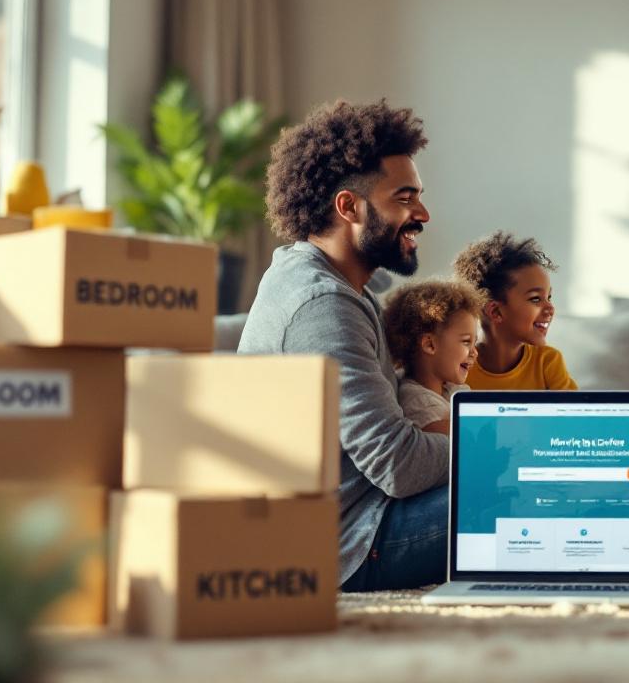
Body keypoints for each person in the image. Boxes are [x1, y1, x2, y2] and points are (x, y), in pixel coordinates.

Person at [237, 99, 449, 592]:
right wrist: (491, 448)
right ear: (349, 206)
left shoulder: (333, 284)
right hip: (348, 542)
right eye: (405, 198)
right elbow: (398, 465)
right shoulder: (322, 304)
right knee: (527, 490)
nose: (422, 214)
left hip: (365, 514)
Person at [453, 231, 577, 390]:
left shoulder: (548, 362)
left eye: (549, 297)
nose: (550, 308)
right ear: (496, 312)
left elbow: (572, 407)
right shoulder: (458, 365)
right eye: (535, 299)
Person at [383, 279, 484, 428]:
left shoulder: (450, 388)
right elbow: (469, 435)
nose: (475, 352)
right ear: (430, 345)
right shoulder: (418, 403)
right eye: (466, 341)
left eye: (474, 342)